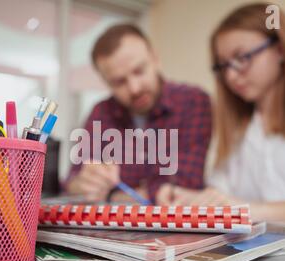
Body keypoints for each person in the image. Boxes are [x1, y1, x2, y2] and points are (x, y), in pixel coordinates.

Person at [157, 3, 285, 224]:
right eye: (222, 66)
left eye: (242, 58)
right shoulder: (240, 129)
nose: (230, 76)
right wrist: (189, 199)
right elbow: (223, 196)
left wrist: (250, 210)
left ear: (280, 49)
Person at [65, 24, 212, 203]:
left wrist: (110, 195)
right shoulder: (101, 112)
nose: (134, 89)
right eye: (119, 82)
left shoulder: (193, 101)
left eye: (139, 71)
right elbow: (71, 182)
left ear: (155, 59)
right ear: (106, 82)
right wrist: (84, 183)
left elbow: (182, 190)